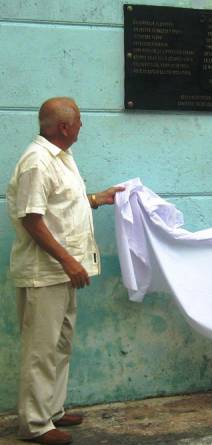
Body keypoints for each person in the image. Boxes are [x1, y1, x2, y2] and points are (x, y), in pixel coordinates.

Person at [7, 97, 124, 445]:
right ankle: (34, 424)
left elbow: (61, 205)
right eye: (79, 120)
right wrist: (68, 260)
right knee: (40, 350)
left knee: (60, 344)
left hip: (61, 272)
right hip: (45, 273)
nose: (82, 126)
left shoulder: (61, 158)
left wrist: (96, 199)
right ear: (63, 127)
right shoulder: (37, 162)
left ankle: (52, 411)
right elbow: (32, 219)